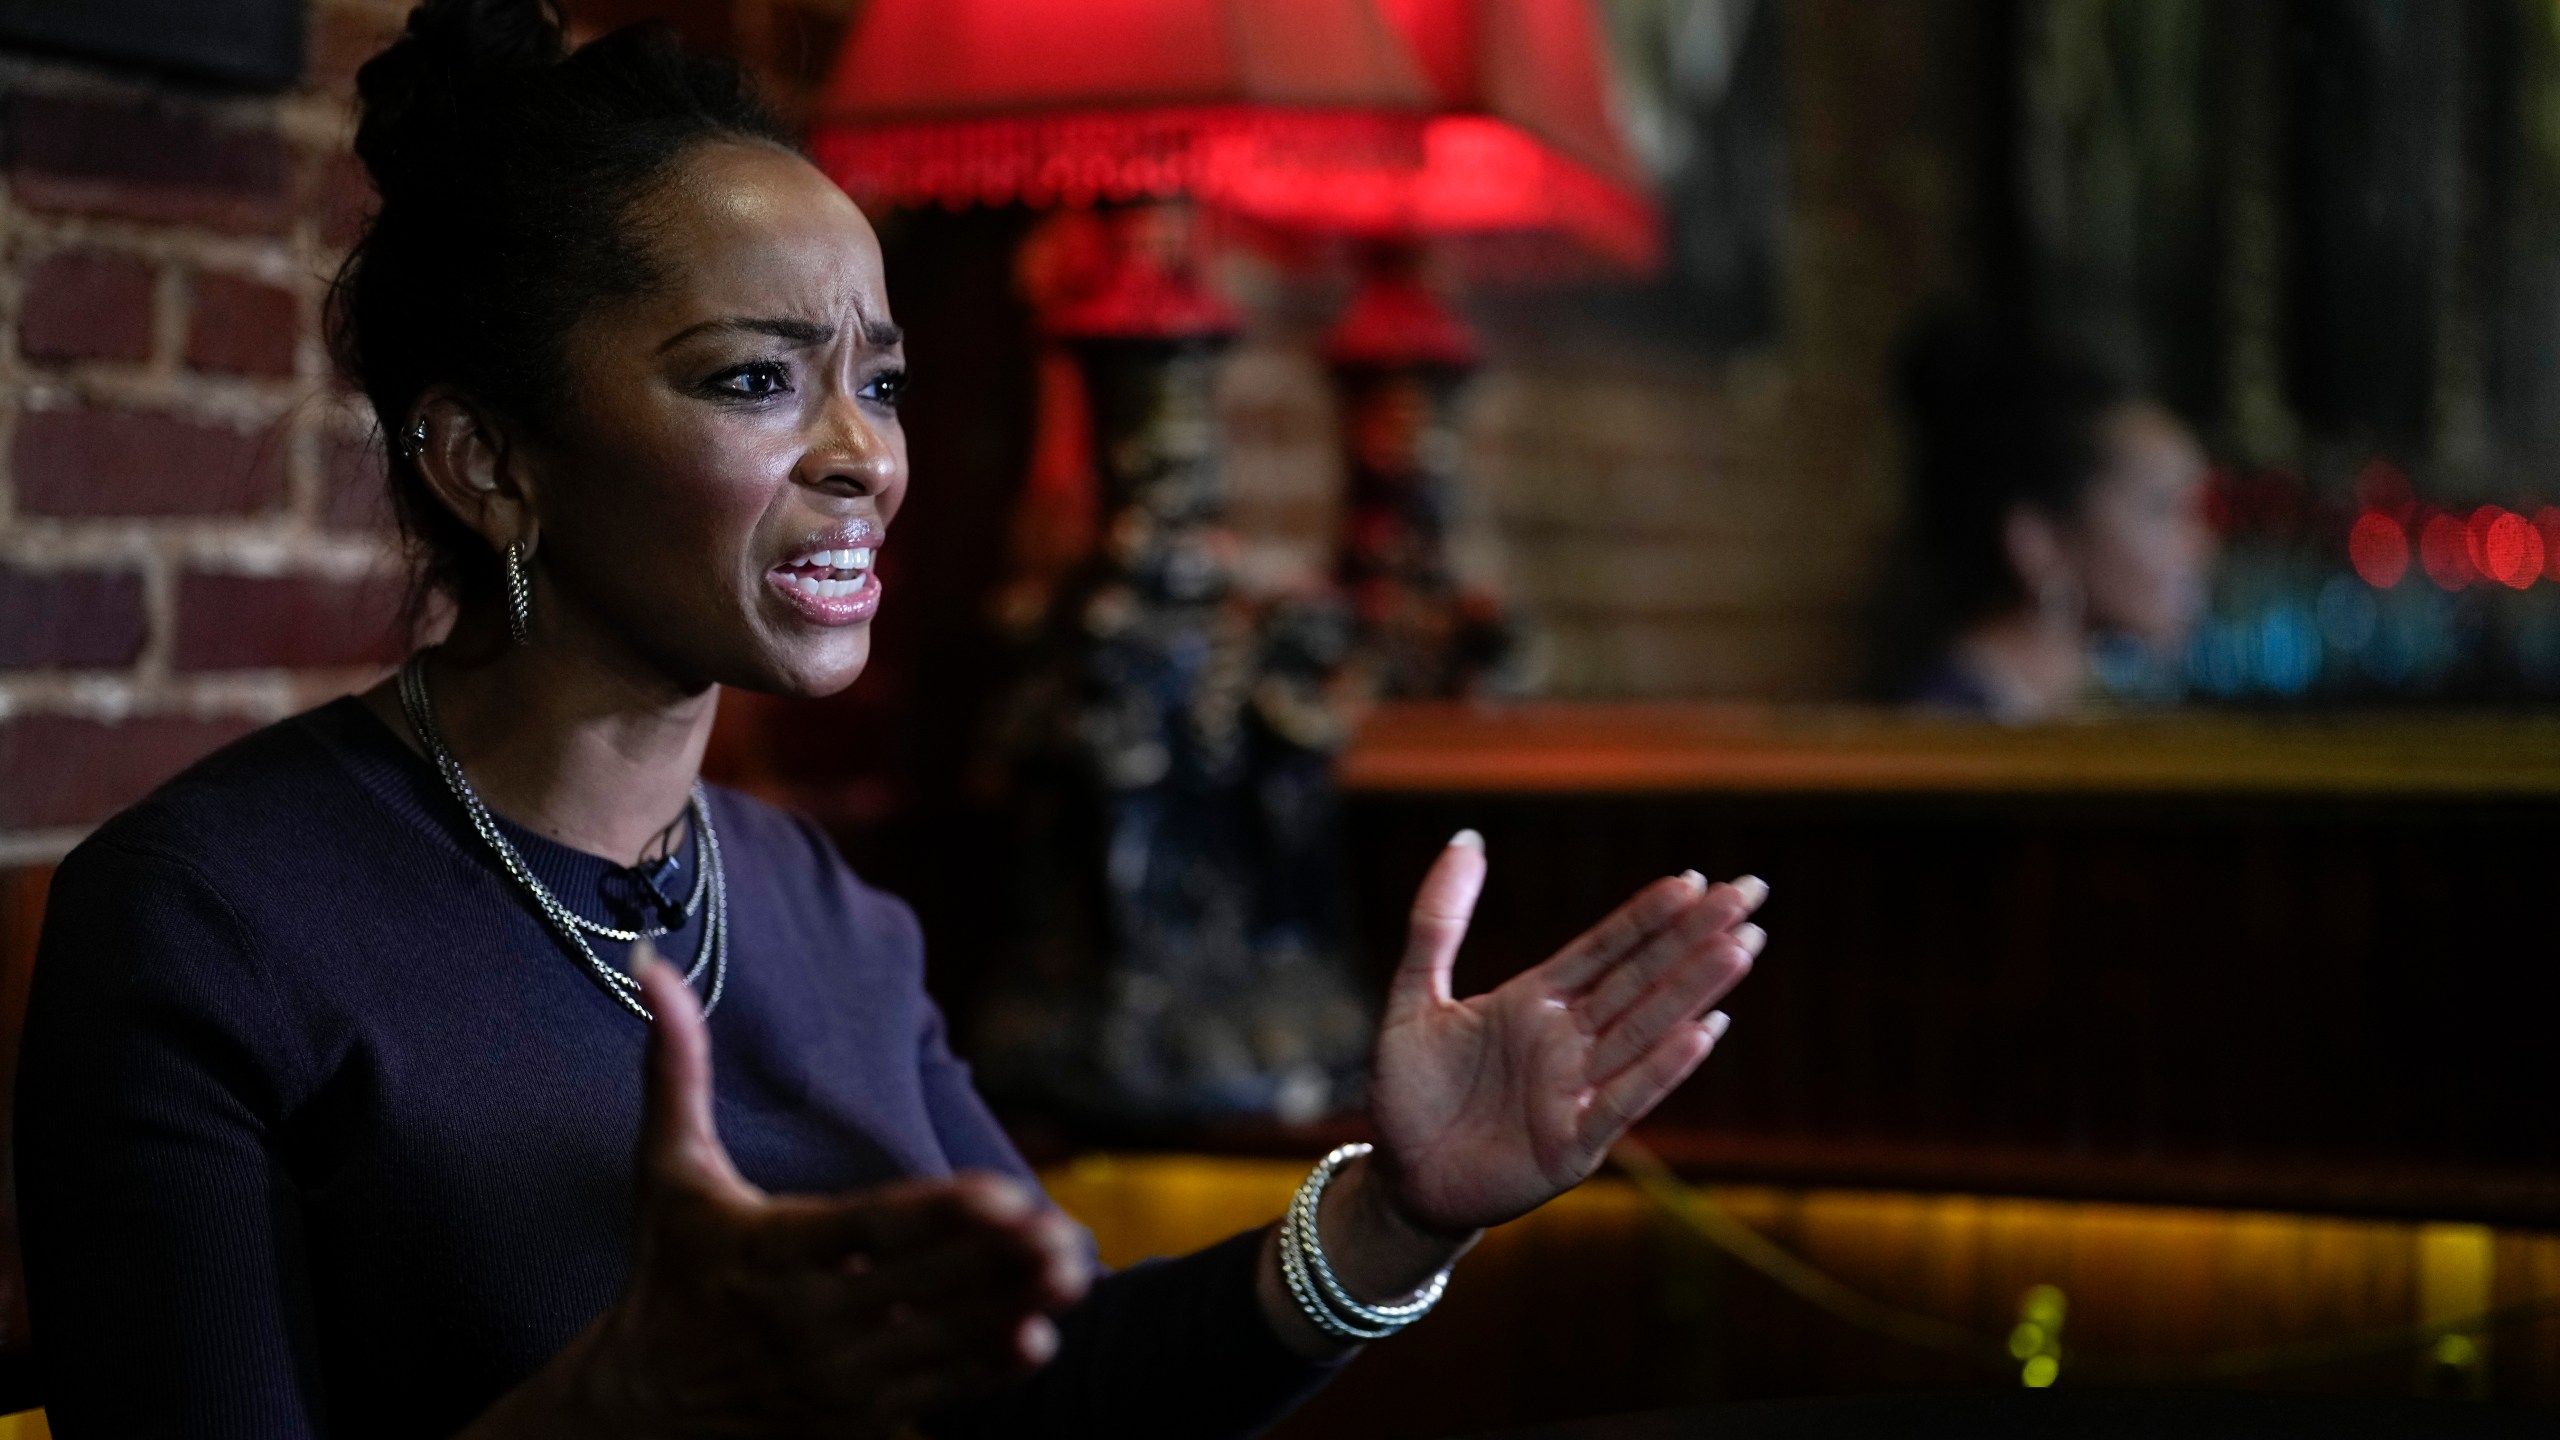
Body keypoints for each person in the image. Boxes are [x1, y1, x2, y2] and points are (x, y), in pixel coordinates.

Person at [13, 4, 1768, 1436]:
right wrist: (610, 1416)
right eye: (756, 379)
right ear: (490, 461)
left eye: (883, 379)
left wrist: (1394, 1216)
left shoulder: (820, 915)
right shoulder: (205, 922)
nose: (866, 454)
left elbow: (1054, 1389)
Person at [1889, 311, 2215, 721]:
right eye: (2163, 510)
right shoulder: (1939, 736)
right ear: (2038, 539)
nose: (2200, 544)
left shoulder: (2074, 711)